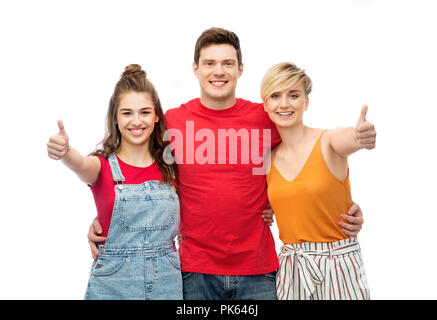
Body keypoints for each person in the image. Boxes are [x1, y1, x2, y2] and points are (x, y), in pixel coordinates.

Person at [88, 28, 368, 300]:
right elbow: (139, 167)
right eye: (209, 63)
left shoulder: (266, 117)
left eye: (227, 63)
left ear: (240, 69)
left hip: (258, 270)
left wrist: (342, 202)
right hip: (194, 271)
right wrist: (108, 213)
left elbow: (308, 152)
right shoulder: (173, 122)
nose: (218, 71)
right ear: (196, 69)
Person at [47, 64, 182, 300]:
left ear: (157, 115)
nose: (136, 121)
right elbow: (79, 163)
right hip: (113, 284)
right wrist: (65, 151)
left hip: (167, 282)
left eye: (145, 112)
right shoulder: (101, 166)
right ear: (116, 119)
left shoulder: (172, 166)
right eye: (127, 113)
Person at [261, 62, 373, 300]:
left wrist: (360, 135)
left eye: (293, 95)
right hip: (292, 267)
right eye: (275, 95)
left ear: (306, 102)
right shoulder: (266, 159)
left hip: (339, 264)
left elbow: (349, 137)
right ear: (265, 104)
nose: (284, 103)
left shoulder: (328, 141)